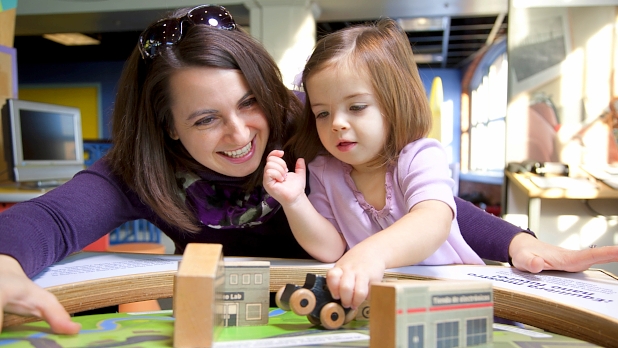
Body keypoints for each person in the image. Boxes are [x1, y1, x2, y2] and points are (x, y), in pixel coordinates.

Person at [0, 4, 617, 335]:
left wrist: (518, 241)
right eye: (206, 119)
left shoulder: (315, 125)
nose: (241, 135)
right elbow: (51, 216)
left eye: (248, 103)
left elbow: (413, 202)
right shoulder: (142, 168)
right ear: (167, 125)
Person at [264, 18, 484, 310]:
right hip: (380, 308)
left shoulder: (420, 156)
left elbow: (433, 220)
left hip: (451, 299)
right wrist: (294, 202)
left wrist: (371, 254)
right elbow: (330, 248)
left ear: (394, 103)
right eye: (322, 113)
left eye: (356, 107)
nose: (337, 124)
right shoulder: (324, 171)